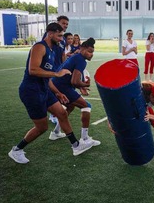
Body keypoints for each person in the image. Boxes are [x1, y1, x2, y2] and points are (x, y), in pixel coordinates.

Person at [8, 23, 94, 164]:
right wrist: (57, 73)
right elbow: (33, 70)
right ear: (50, 33)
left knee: (62, 113)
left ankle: (76, 146)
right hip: (31, 91)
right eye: (59, 35)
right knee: (42, 128)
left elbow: (46, 78)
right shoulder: (39, 47)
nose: (61, 39)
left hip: (45, 89)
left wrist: (58, 93)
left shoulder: (53, 51)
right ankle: (16, 150)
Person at [50, 38, 100, 146]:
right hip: (61, 87)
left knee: (70, 106)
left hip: (55, 85)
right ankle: (85, 139)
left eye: (93, 52)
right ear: (82, 49)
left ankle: (56, 132)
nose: (91, 54)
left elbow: (72, 80)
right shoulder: (81, 60)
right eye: (89, 51)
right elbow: (75, 81)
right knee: (86, 106)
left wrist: (80, 86)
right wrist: (84, 84)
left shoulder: (76, 56)